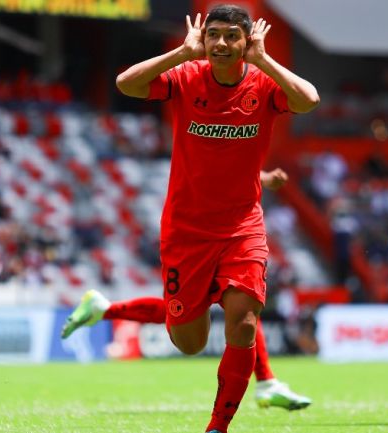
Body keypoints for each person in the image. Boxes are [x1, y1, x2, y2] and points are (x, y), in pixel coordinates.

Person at [64, 5, 319, 432]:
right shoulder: (186, 78)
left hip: (242, 227)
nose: (221, 43)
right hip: (187, 231)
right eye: (213, 34)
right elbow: (126, 84)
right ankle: (105, 309)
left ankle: (217, 427)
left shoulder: (263, 84)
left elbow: (308, 100)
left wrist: (262, 59)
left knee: (244, 322)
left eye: (232, 36)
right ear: (203, 38)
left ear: (246, 40)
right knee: (188, 340)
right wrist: (181, 54)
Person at [62, 169, 312, 411]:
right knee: (188, 314)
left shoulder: (237, 139)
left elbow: (233, 169)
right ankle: (105, 309)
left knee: (242, 304)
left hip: (230, 234)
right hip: (198, 235)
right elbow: (216, 172)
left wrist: (264, 178)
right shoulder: (205, 135)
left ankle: (266, 381)